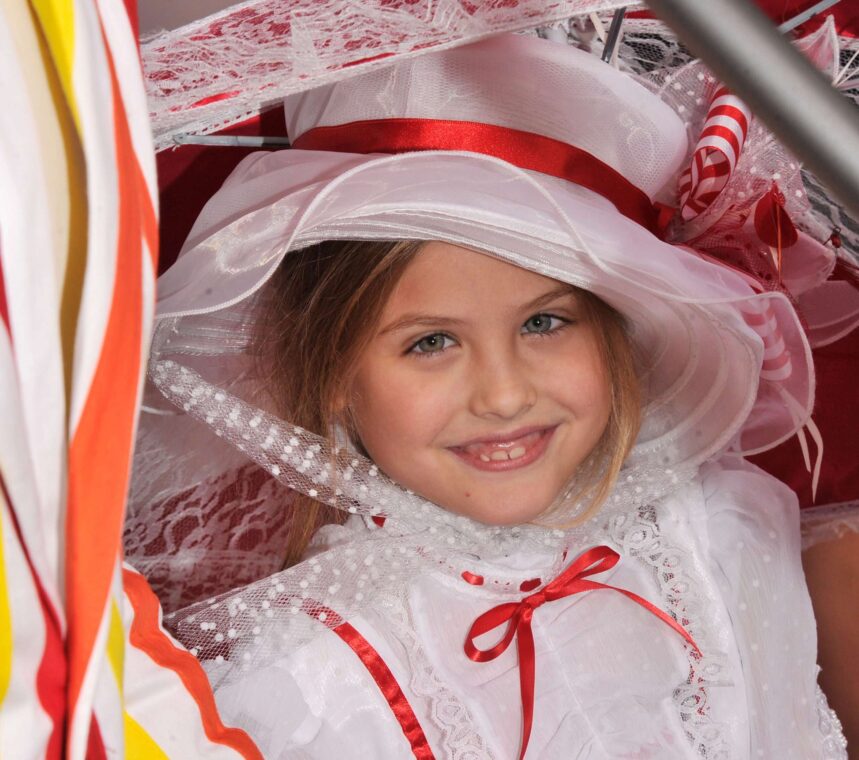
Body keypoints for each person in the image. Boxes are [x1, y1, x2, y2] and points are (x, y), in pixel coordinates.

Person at [126, 34, 848, 758]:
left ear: (614, 336)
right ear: (335, 381)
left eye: (543, 322)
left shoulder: (717, 531)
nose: (503, 396)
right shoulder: (309, 686)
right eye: (430, 342)